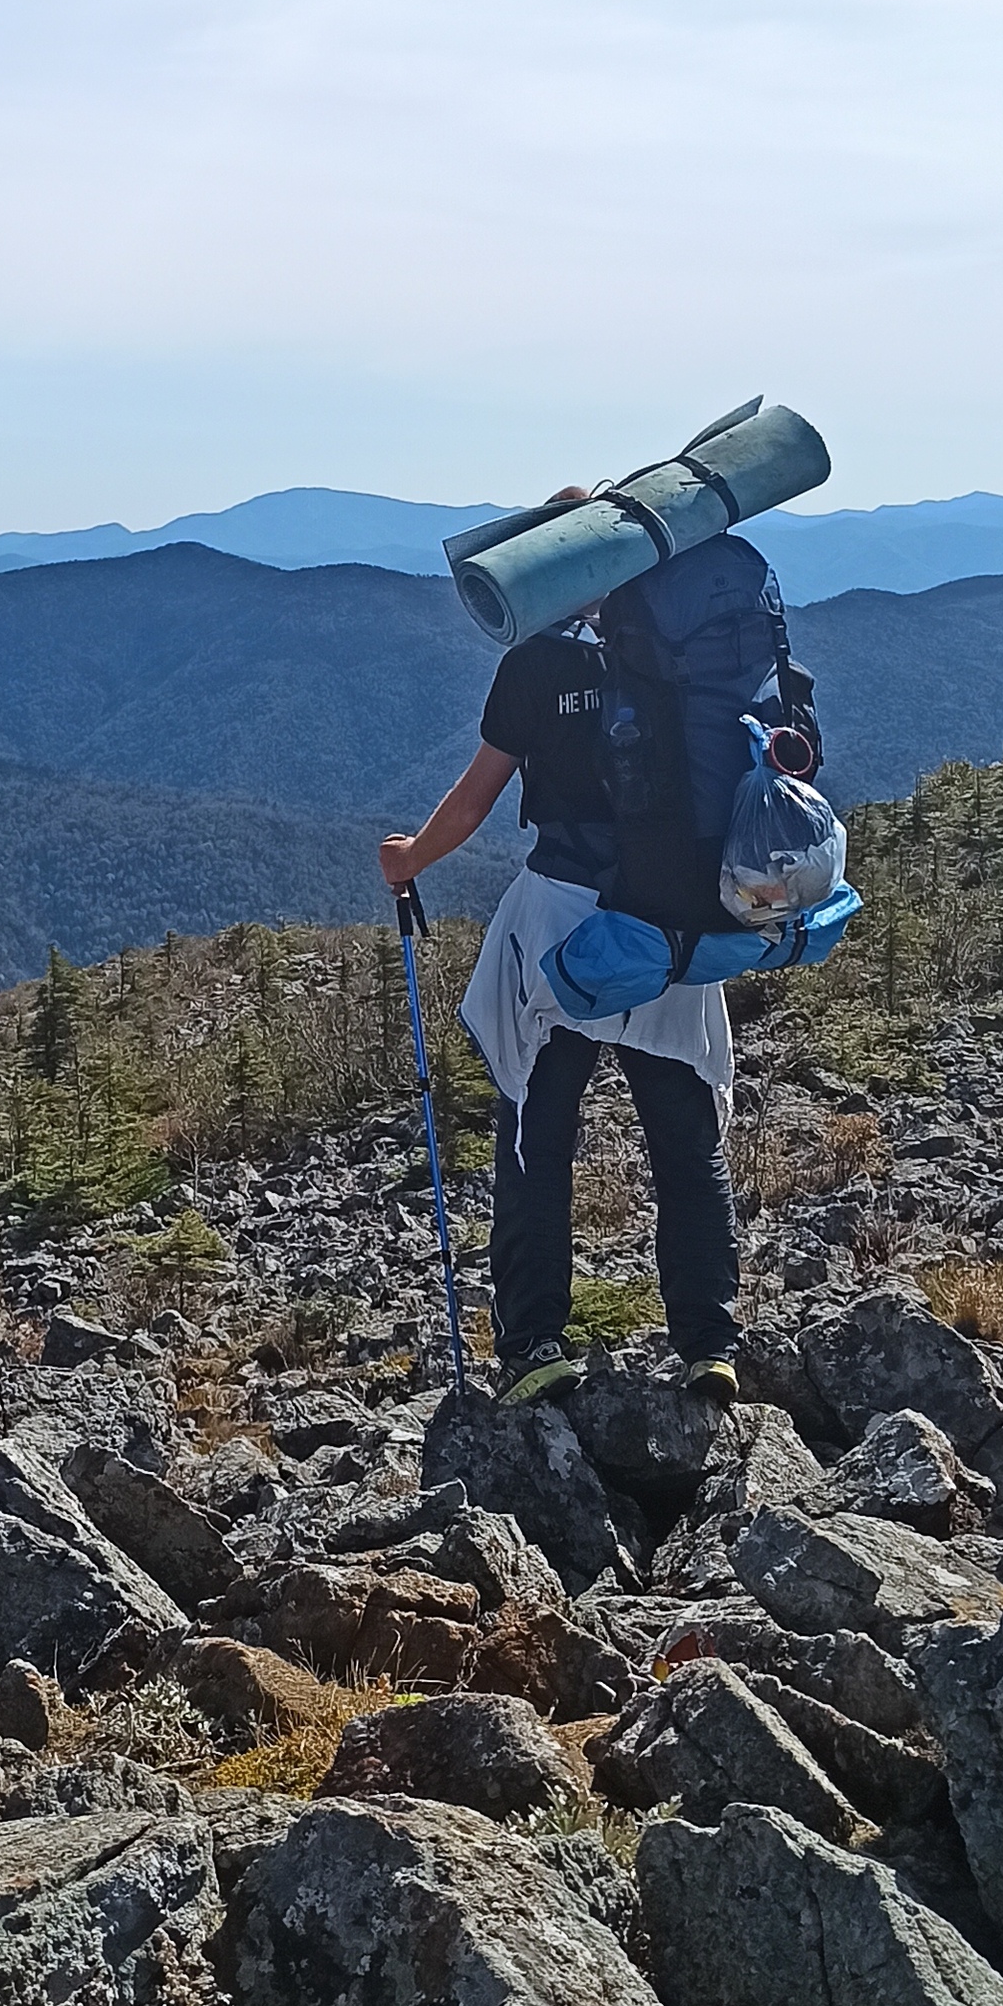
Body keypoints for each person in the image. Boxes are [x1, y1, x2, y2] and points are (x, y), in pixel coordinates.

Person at [379, 525, 742, 1408]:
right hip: (671, 931)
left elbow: (474, 801)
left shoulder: (537, 666)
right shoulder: (684, 653)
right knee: (685, 1143)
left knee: (536, 1141)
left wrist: (408, 860)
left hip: (561, 929)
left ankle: (535, 1341)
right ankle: (709, 1341)